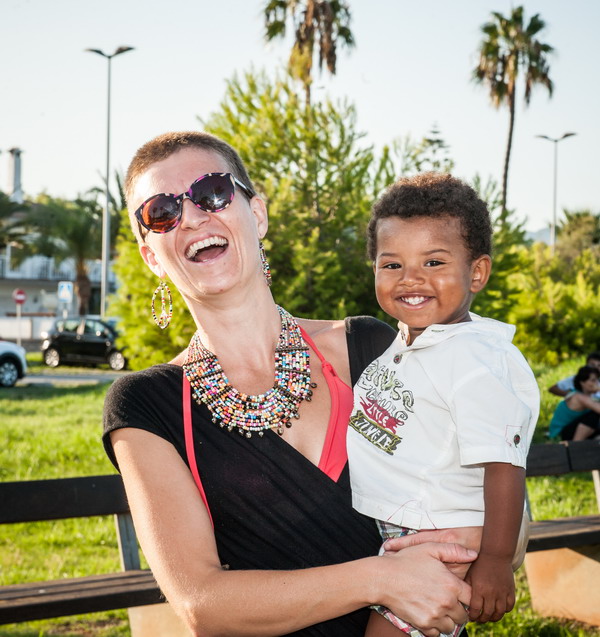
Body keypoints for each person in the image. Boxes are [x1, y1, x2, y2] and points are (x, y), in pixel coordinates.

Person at [102, 132, 477, 637]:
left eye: (212, 191)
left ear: (256, 214)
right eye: (161, 211)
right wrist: (380, 580)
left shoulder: (368, 347)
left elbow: (474, 510)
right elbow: (202, 603)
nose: (191, 217)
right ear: (151, 256)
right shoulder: (148, 406)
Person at [346, 172, 540, 637]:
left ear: (477, 272)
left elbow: (504, 466)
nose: (411, 278)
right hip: (404, 529)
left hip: (443, 541)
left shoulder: (475, 358)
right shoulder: (411, 341)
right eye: (391, 265)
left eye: (434, 262)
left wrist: (494, 561)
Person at [548, 365, 600, 441]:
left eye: (597, 380)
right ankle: (575, 447)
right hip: (560, 435)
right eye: (593, 380)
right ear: (582, 382)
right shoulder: (578, 396)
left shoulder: (589, 398)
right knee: (594, 415)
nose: (596, 383)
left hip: (570, 431)